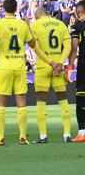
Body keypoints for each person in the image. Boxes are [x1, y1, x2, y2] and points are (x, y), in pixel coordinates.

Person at [0, 0, 60, 146]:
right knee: (21, 101)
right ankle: (22, 137)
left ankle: (0, 138)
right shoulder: (22, 24)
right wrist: (28, 26)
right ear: (16, 10)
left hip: (5, 66)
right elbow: (33, 44)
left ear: (3, 10)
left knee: (0, 101)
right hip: (19, 66)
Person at [30, 8, 72, 143]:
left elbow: (35, 47)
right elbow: (68, 46)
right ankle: (67, 134)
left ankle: (43, 135)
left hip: (44, 66)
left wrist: (50, 62)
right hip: (58, 68)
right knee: (63, 99)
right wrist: (59, 62)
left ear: (37, 15)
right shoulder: (60, 24)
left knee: (41, 100)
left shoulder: (35, 25)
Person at [69, 0, 85, 142]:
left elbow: (74, 49)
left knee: (81, 98)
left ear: (78, 12)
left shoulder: (77, 27)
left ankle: (82, 132)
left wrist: (69, 67)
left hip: (84, 66)